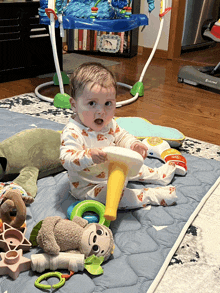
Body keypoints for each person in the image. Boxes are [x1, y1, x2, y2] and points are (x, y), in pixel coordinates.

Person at [60, 62, 177, 209]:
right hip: (89, 185)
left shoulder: (108, 123)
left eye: (108, 103)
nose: (101, 111)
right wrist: (88, 156)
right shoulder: (72, 132)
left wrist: (133, 144)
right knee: (119, 198)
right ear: (74, 105)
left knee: (137, 166)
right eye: (92, 103)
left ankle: (159, 175)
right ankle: (153, 195)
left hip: (116, 169)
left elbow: (121, 136)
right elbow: (66, 159)